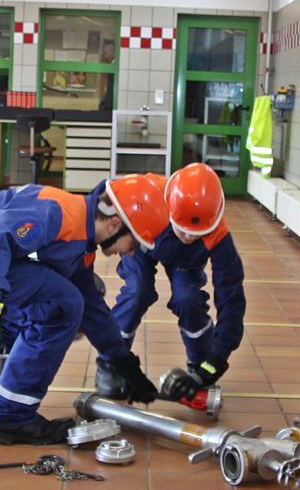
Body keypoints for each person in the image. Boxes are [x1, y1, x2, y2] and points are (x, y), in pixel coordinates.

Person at [0, 175, 168, 445]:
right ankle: (12, 417)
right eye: (136, 244)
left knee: (39, 307)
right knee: (61, 305)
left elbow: (94, 311)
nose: (131, 253)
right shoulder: (59, 212)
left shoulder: (81, 242)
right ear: (114, 224)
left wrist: (124, 365)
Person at [96, 164, 247, 401]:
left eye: (195, 233)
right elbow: (99, 200)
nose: (187, 237)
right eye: (182, 229)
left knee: (189, 300)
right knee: (137, 293)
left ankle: (198, 363)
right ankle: (110, 362)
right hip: (142, 243)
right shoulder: (149, 191)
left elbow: (232, 302)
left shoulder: (218, 236)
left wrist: (212, 365)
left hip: (184, 261)